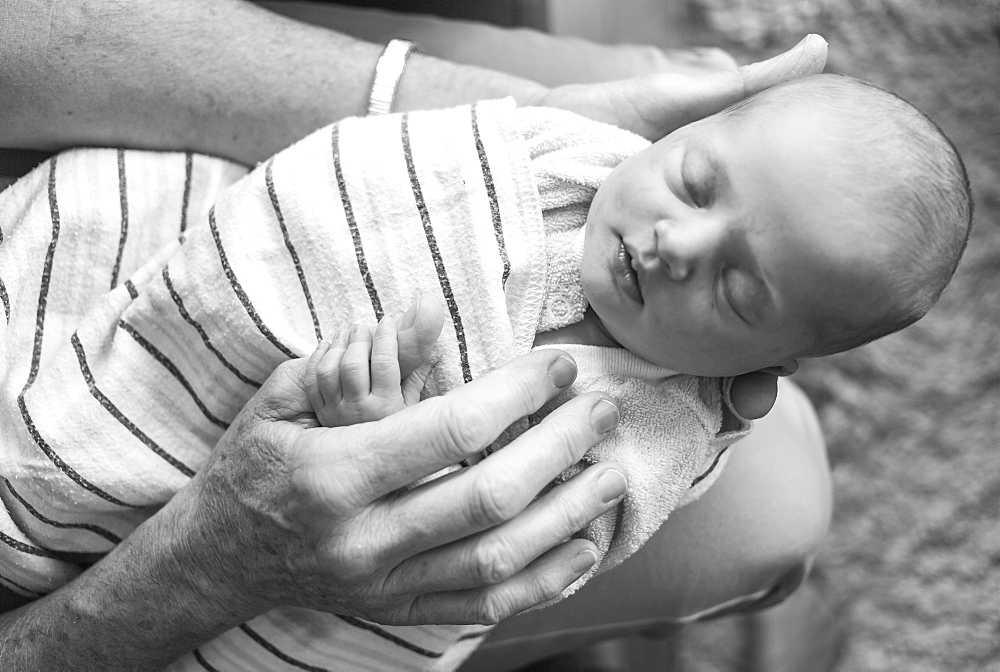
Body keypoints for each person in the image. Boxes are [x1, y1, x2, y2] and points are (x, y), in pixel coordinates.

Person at [0, 1, 834, 669]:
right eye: (692, 184)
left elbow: (501, 534)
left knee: (694, 91)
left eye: (735, 285)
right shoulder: (572, 173)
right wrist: (208, 563)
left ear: (770, 361)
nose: (676, 245)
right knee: (777, 509)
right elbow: (356, 187)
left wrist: (390, 445)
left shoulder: (658, 427)